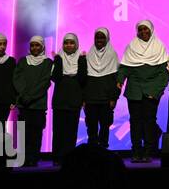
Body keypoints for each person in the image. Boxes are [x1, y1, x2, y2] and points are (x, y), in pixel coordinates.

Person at [118, 20, 169, 162]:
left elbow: (163, 74)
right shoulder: (131, 46)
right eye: (140, 30)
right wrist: (120, 80)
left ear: (151, 30)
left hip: (152, 91)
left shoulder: (159, 47)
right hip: (134, 90)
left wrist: (157, 91)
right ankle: (136, 151)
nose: (143, 32)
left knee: (149, 122)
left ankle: (148, 151)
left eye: (146, 29)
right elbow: (125, 67)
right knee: (135, 122)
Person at [12, 36, 52, 165]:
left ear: (42, 47)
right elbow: (17, 79)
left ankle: (33, 159)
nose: (35, 48)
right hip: (24, 105)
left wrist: (30, 96)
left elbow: (45, 82)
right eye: (32, 45)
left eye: (37, 45)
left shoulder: (47, 62)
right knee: (23, 134)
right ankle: (23, 159)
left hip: (38, 105)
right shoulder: (23, 61)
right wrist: (24, 95)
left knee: (36, 134)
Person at [49, 33, 87, 163]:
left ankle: (70, 158)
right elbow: (55, 78)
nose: (69, 45)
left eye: (71, 43)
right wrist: (58, 61)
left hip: (74, 100)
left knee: (71, 132)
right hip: (60, 100)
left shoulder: (81, 59)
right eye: (66, 43)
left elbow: (82, 80)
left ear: (76, 44)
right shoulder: (59, 59)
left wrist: (82, 62)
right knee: (58, 131)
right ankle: (57, 158)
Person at [82, 28, 122, 149]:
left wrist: (114, 98)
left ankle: (103, 151)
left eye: (102, 37)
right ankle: (92, 152)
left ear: (107, 39)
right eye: (97, 37)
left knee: (105, 127)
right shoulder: (89, 55)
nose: (99, 40)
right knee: (91, 128)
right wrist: (83, 99)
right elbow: (84, 80)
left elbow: (116, 80)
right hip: (90, 99)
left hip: (106, 99)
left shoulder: (112, 55)